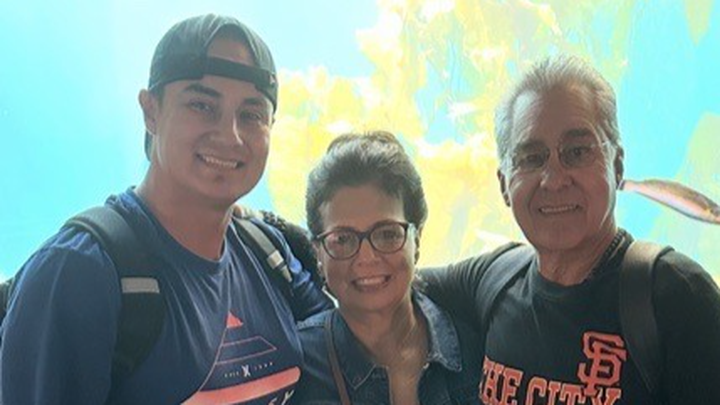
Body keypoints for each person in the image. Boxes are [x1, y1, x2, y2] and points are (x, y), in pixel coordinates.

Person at [0, 14, 331, 404]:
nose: (230, 135)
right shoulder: (79, 272)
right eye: (201, 105)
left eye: (251, 115)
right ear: (150, 111)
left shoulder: (269, 255)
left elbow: (351, 345)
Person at [421, 55, 720, 404]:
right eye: (531, 158)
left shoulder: (676, 297)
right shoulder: (495, 278)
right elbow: (394, 282)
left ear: (617, 165)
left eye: (577, 152)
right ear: (504, 184)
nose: (554, 179)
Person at [294, 132, 482, 404]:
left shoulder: (478, 348)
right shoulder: (295, 365)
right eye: (342, 239)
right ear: (318, 253)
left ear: (417, 240)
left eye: (387, 234)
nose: (367, 258)